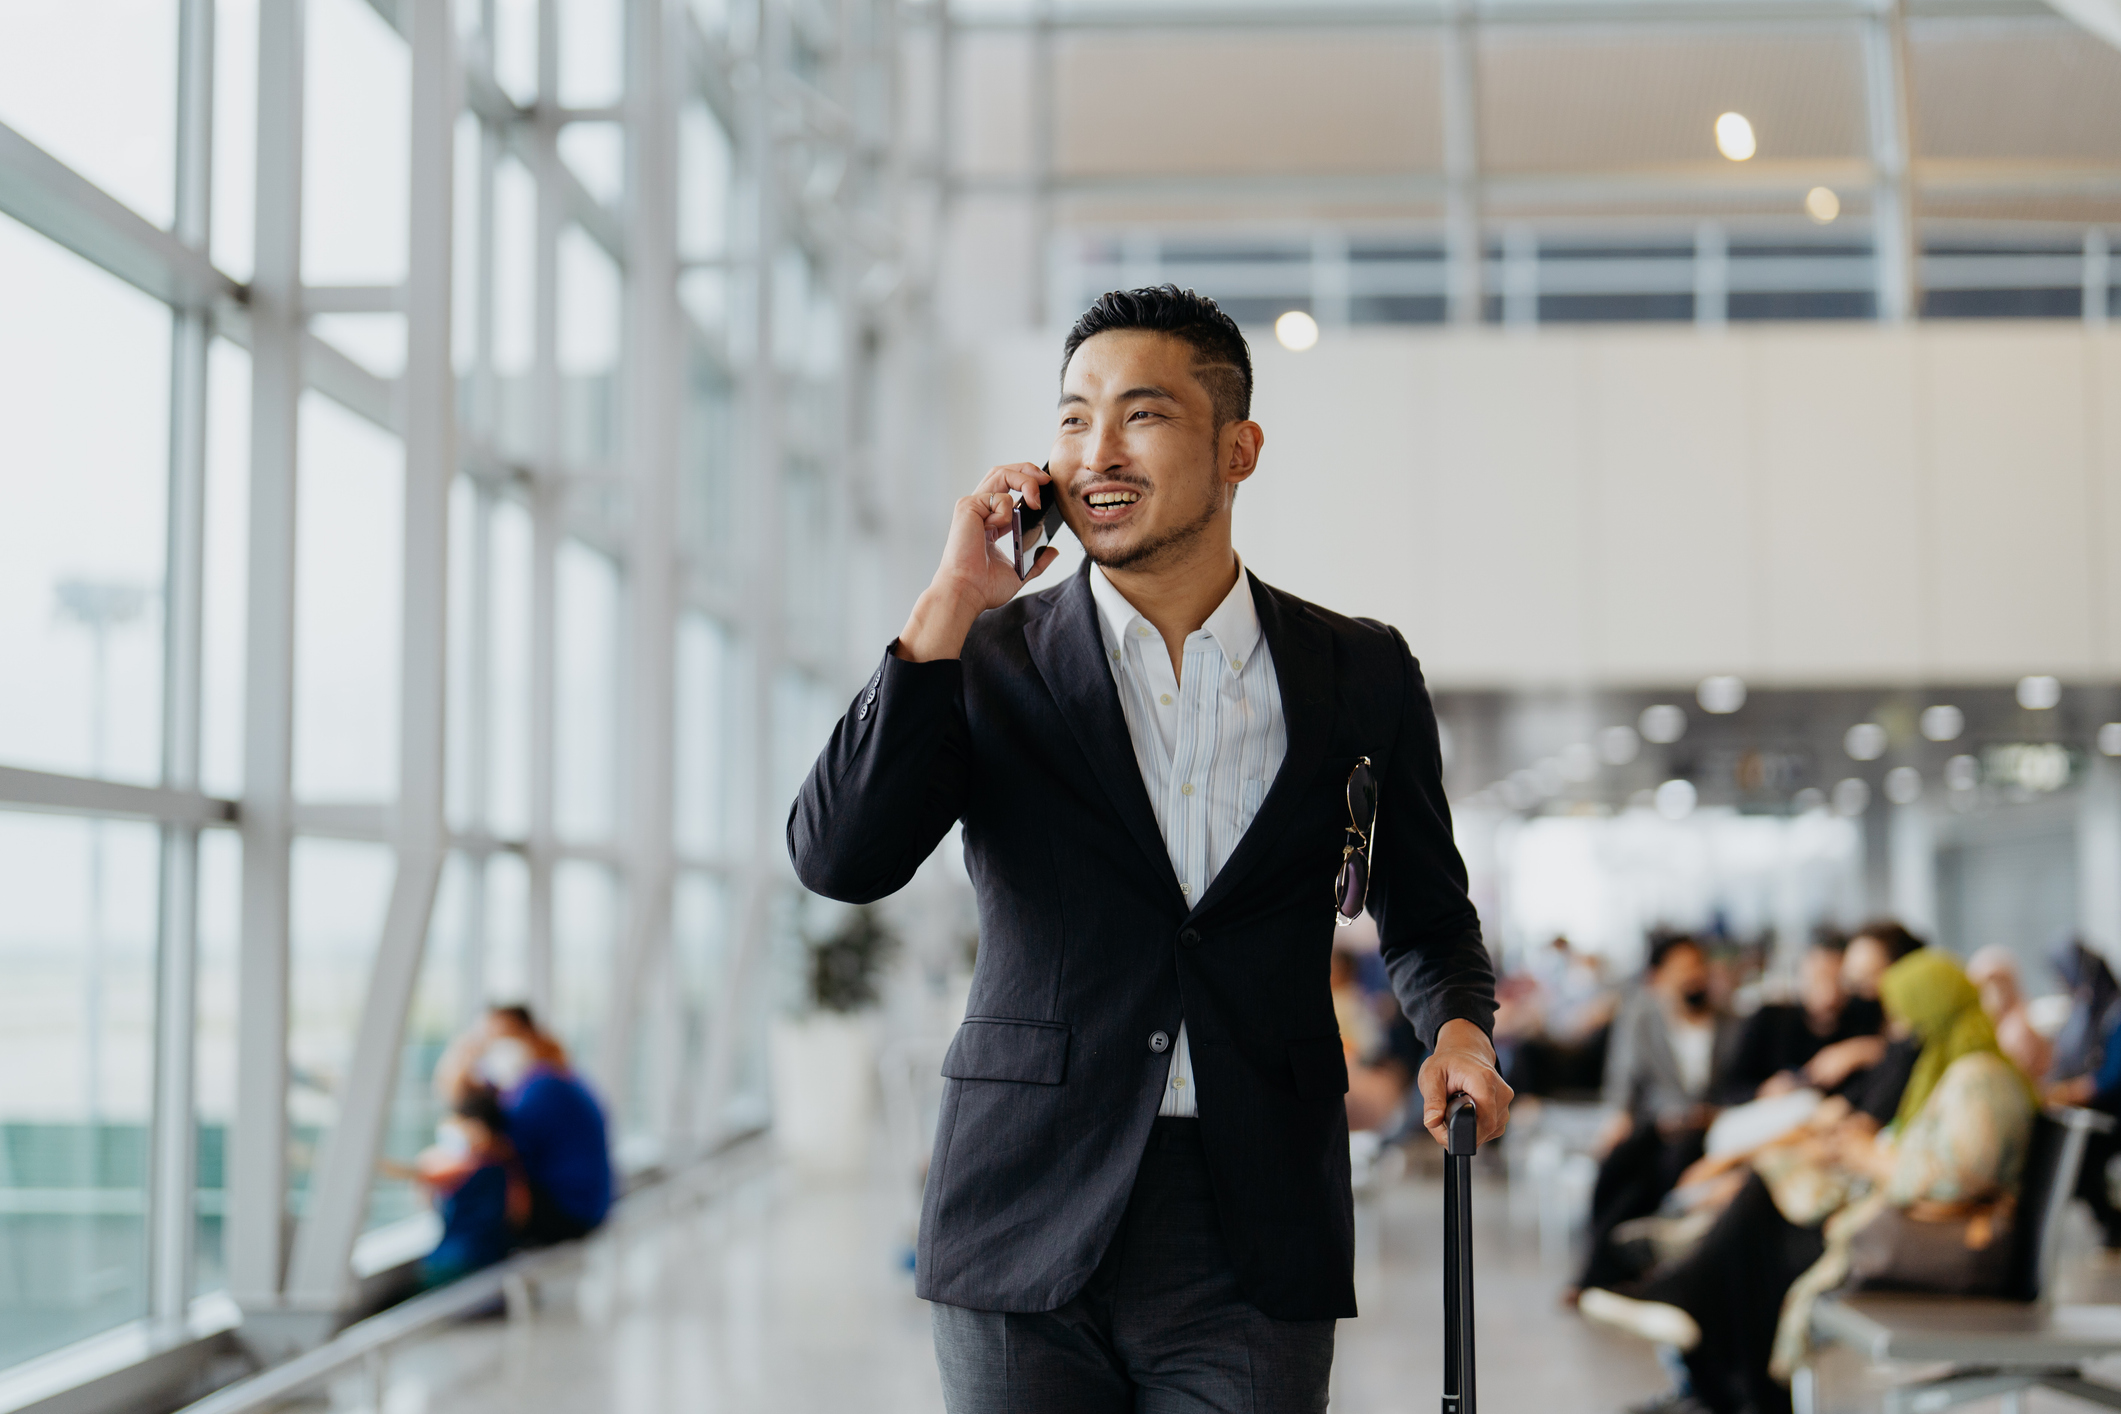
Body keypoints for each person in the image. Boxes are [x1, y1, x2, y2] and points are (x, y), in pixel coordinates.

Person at [787, 284, 1510, 1413]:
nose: (1095, 452)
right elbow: (839, 857)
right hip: (1023, 1206)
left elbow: (1425, 913)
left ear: (1239, 449)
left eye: (1142, 415)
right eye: (1072, 418)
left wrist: (1458, 1030)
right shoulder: (987, 658)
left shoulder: (1355, 672)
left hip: (1253, 1219)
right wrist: (948, 601)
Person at [1581, 950, 2036, 1414]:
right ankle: (1712, 1360)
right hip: (1919, 1229)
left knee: (1759, 1248)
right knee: (1760, 1220)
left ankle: (1694, 1318)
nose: (1899, 1029)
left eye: (1906, 1014)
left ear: (1933, 1009)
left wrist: (1870, 1158)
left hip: (1948, 1246)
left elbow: (1954, 1178)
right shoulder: (1954, 1073)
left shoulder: (1979, 1078)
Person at [1575, 934, 1742, 1295]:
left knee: (1669, 1166)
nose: (1693, 976)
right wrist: (1618, 1117)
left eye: (1698, 965)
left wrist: (1711, 1114)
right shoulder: (1642, 1017)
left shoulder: (1733, 1022)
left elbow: (1742, 1083)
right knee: (1619, 1165)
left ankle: (1644, 1272)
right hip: (1656, 1123)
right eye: (1682, 969)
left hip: (1710, 1126)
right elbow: (1624, 1079)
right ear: (1659, 977)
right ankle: (1598, 1272)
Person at [435, 1004, 613, 1245]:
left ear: (527, 1035)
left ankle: (456, 1262)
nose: (490, 1049)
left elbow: (496, 1149)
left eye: (499, 1037)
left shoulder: (540, 1086)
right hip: (590, 1204)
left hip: (574, 1211)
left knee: (482, 1178)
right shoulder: (551, 1077)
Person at [381, 1085, 529, 1287]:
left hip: (458, 1262)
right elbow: (519, 1212)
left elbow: (416, 1175)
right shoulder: (509, 1165)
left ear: (476, 1127)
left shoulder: (465, 1168)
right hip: (490, 1257)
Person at [1722, 936, 1880, 1101]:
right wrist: (1764, 1090)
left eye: (1838, 981)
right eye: (1819, 979)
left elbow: (1894, 1052)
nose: (1829, 992)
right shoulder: (1769, 1020)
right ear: (1800, 980)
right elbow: (1728, 1089)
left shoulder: (1864, 1013)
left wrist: (1856, 1052)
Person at [1965, 945, 2053, 1083]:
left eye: (1998, 983)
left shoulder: (2017, 1031)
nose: (1993, 992)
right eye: (1984, 986)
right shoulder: (1996, 1026)